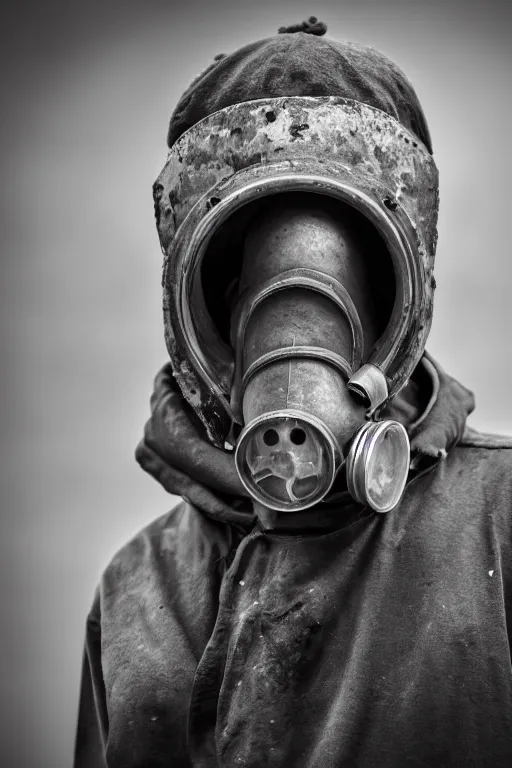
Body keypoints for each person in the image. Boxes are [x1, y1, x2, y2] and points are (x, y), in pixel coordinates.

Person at [74, 18, 512, 768]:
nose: (297, 309)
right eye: (253, 257)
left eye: (343, 256)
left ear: (397, 292)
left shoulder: (499, 521)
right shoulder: (136, 590)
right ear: (206, 292)